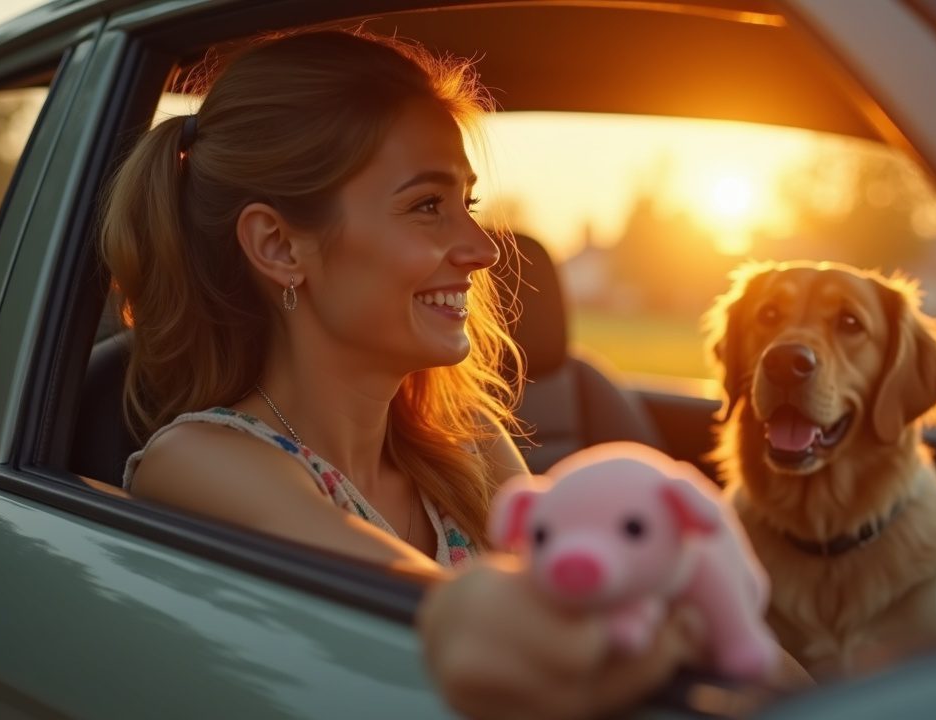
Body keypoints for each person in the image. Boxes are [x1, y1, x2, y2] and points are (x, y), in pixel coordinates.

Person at [99, 29, 728, 719]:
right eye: (428, 205)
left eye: (469, 204)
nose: (483, 248)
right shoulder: (202, 461)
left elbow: (604, 605)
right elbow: (477, 628)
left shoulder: (466, 445)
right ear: (279, 246)